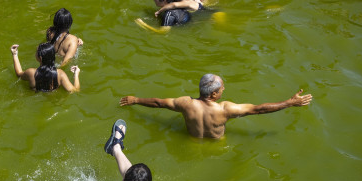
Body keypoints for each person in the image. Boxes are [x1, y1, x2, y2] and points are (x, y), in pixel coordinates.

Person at [119, 74, 313, 139]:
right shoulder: (225, 109)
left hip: (192, 140)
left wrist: (135, 100)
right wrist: (290, 102)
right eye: (221, 88)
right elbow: (259, 109)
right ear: (213, 94)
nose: (224, 90)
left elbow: (158, 103)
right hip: (218, 145)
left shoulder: (186, 104)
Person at [10, 43, 80, 93]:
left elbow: (18, 74)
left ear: (40, 58)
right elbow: (75, 90)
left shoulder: (31, 72)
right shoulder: (60, 74)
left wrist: (14, 54)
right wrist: (76, 74)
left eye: (36, 52)